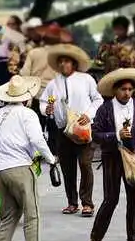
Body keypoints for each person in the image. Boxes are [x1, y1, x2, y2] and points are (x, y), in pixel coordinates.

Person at [0, 76, 56, 241]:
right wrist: (51, 159)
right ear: (26, 97)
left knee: (9, 214)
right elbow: (37, 140)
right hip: (20, 167)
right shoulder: (28, 114)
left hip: (0, 170)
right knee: (31, 214)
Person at [90, 67, 135, 241]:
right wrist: (115, 135)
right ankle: (95, 239)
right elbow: (95, 134)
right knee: (111, 199)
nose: (127, 93)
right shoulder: (105, 108)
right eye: (123, 89)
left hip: (133, 156)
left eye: (130, 89)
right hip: (113, 157)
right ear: (115, 90)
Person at [40, 44, 102, 217]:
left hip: (82, 128)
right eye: (60, 62)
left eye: (66, 61)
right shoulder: (53, 84)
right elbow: (44, 103)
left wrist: (89, 115)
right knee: (68, 167)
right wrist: (47, 110)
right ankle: (72, 202)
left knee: (85, 164)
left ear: (73, 63)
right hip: (62, 130)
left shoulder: (86, 79)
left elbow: (98, 99)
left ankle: (87, 203)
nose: (63, 65)